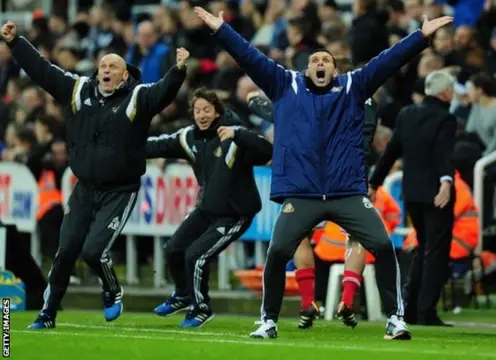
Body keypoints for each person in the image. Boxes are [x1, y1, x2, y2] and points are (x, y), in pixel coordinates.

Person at [193, 6, 453, 340]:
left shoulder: (353, 86)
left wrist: (420, 37)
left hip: (346, 192)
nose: (319, 64)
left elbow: (388, 61)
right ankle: (268, 321)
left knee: (383, 246)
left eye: (326, 60)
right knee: (277, 252)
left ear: (334, 67)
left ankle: (395, 319)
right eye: (315, 60)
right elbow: (249, 56)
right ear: (306, 67)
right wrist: (221, 30)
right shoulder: (284, 84)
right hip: (302, 193)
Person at [1, 21, 189, 329]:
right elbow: (43, 71)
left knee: (93, 251)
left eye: (114, 66)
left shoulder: (137, 98)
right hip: (85, 188)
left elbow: (162, 95)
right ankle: (47, 314)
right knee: (64, 252)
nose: (106, 69)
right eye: (103, 65)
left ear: (124, 75)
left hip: (120, 190)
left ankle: (112, 289)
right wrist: (15, 42)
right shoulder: (77, 90)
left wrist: (178, 71)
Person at [246, 55, 379, 330]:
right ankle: (348, 300)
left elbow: (301, 121)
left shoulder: (338, 97)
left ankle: (308, 301)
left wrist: (263, 107)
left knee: (299, 238)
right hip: (353, 175)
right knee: (356, 238)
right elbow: (365, 138)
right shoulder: (366, 98)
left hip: (323, 176)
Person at [146, 88, 272, 328]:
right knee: (173, 249)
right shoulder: (187, 137)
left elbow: (267, 151)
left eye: (207, 110)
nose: (202, 115)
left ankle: (201, 308)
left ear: (217, 112)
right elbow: (155, 146)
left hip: (236, 213)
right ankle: (183, 295)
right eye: (197, 110)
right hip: (207, 210)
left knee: (196, 255)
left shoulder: (235, 136)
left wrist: (237, 134)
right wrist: (124, 146)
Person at [369, 70, 457, 327]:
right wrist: (446, 181)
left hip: (412, 194)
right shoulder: (446, 119)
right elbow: (442, 153)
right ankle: (426, 311)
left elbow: (391, 151)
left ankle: (409, 309)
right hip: (436, 194)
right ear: (445, 93)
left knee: (422, 247)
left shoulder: (407, 114)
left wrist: (374, 181)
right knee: (436, 251)